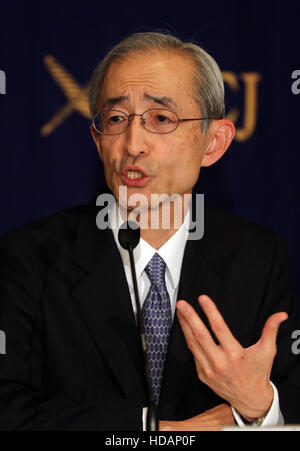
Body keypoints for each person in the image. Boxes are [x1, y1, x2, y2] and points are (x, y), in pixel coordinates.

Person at [0, 32, 299, 431]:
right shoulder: (29, 257)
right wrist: (157, 429)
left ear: (213, 143)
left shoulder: (259, 257)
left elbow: (291, 395)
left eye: (160, 119)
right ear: (97, 138)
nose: (133, 143)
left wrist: (257, 404)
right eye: (116, 119)